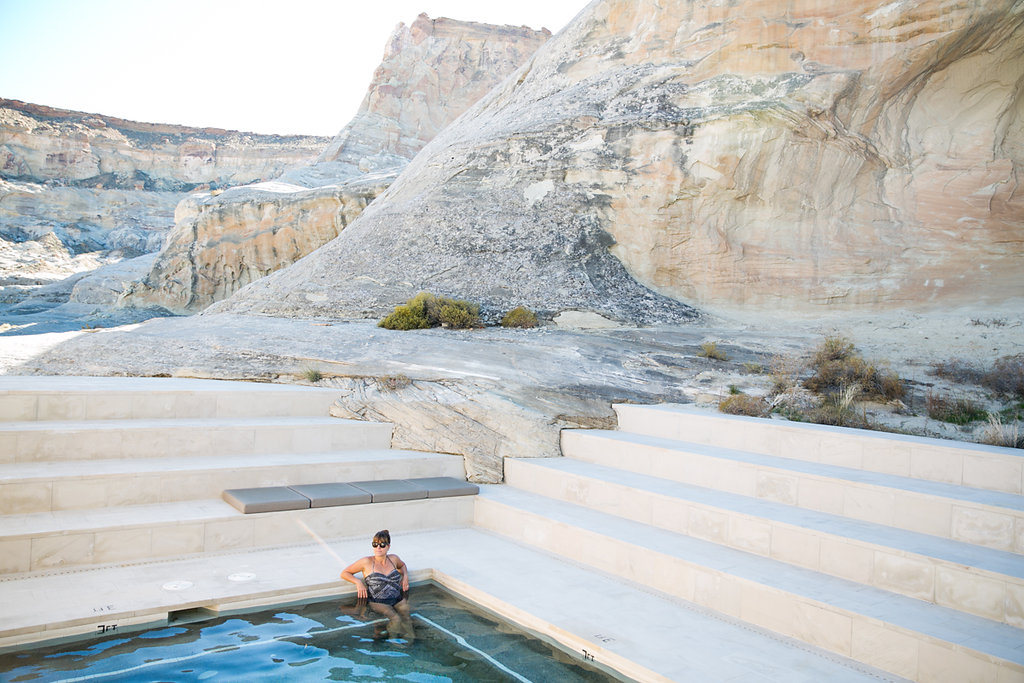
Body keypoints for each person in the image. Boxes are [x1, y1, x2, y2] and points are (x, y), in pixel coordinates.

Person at [340, 529, 414, 641]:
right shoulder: (366, 562)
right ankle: (393, 640)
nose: (378, 547)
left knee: (406, 615)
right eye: (375, 544)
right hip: (377, 601)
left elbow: (402, 565)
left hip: (397, 597)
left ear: (388, 546)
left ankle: (411, 638)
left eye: (382, 545)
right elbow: (345, 573)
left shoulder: (393, 559)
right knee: (396, 619)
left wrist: (405, 578)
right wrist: (358, 582)